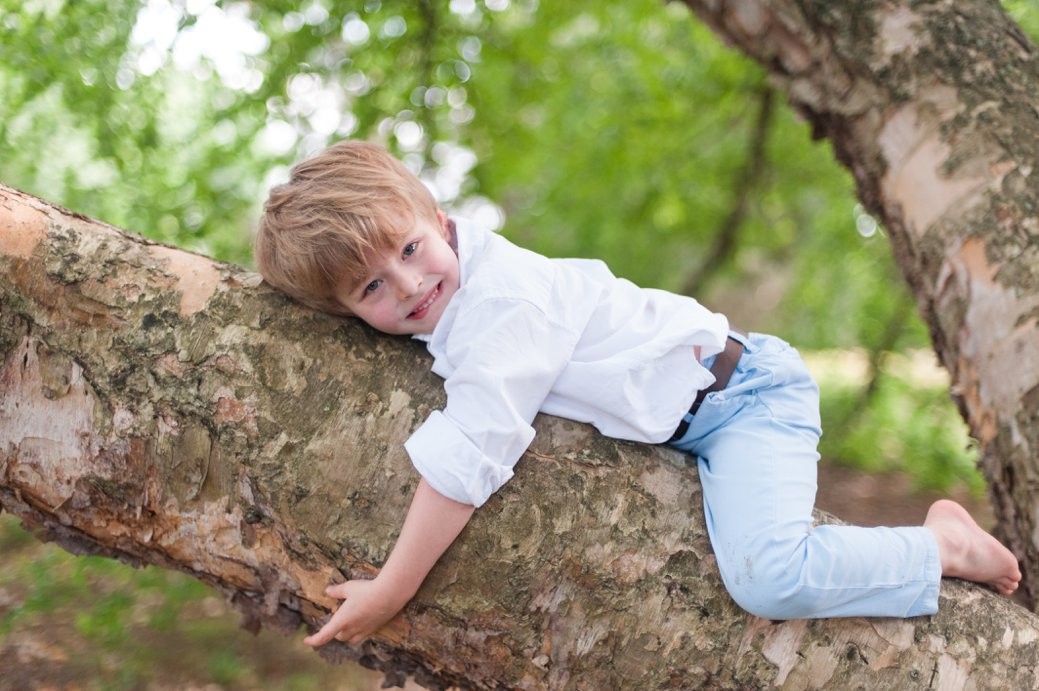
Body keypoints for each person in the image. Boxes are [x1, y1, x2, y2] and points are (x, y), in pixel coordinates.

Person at [254, 140, 1021, 648]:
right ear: (346, 313)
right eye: (372, 287)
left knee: (768, 575)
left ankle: (940, 546)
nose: (412, 285)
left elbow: (472, 450)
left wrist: (392, 589)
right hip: (699, 410)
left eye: (411, 248)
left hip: (745, 398)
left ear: (437, 217)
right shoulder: (460, 305)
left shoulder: (502, 304)